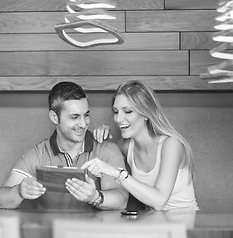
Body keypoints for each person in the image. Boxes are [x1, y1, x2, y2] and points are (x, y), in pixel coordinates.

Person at [0, 81, 128, 210]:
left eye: (86, 115)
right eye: (74, 117)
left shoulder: (106, 149)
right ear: (54, 117)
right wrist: (19, 191)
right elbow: (0, 200)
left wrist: (94, 197)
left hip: (93, 232)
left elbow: (121, 199)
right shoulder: (39, 153)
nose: (83, 124)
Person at [82, 80, 199, 210]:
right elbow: (106, 155)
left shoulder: (171, 145)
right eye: (116, 112)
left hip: (184, 224)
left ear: (145, 114)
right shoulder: (126, 146)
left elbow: (159, 201)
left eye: (127, 111)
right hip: (152, 223)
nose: (118, 119)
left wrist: (118, 174)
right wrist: (104, 138)